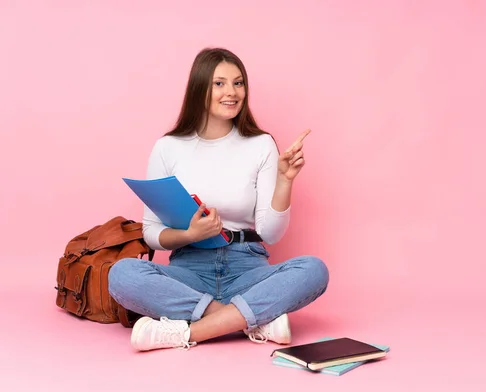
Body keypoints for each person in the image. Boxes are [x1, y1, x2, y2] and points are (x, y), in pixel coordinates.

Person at [108, 47, 329, 352]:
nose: (232, 92)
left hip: (247, 268)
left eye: (238, 83)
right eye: (220, 83)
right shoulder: (168, 147)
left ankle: (185, 333)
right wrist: (190, 234)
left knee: (314, 269)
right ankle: (250, 319)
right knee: (122, 274)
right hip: (188, 271)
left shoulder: (261, 144)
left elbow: (271, 234)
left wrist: (285, 181)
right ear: (200, 89)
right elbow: (151, 233)